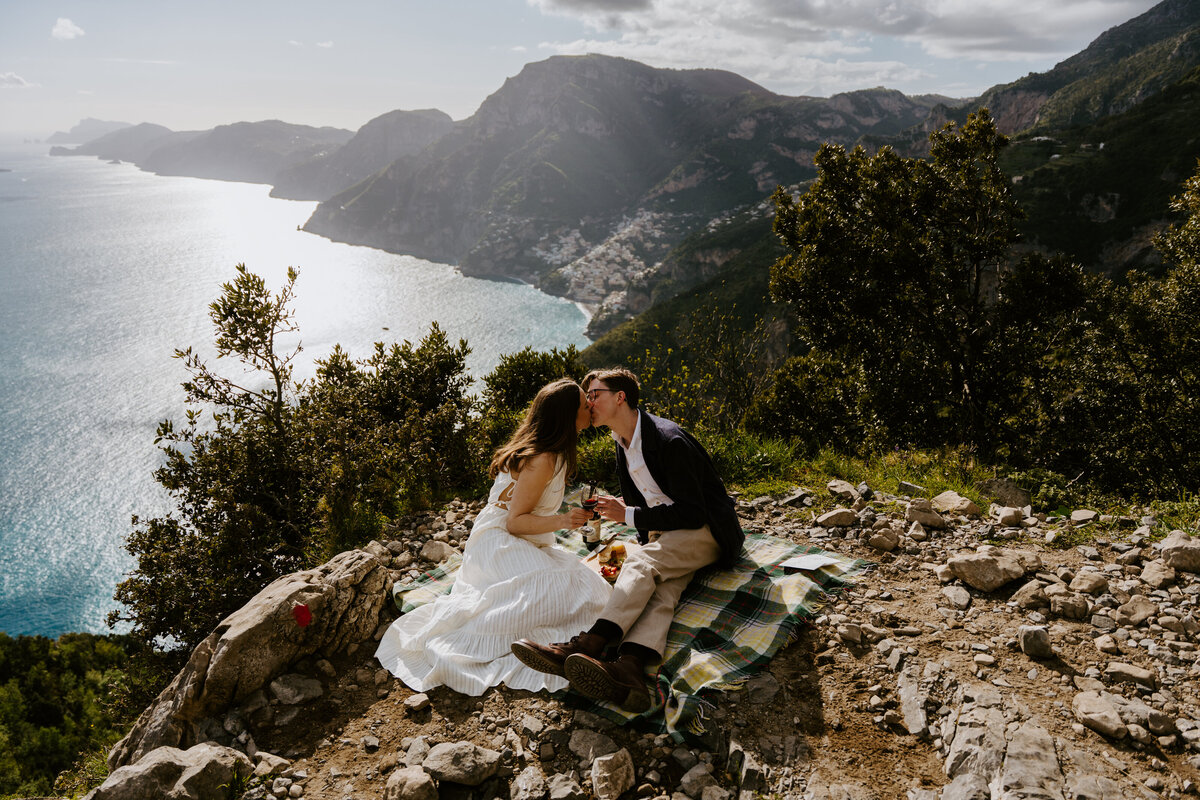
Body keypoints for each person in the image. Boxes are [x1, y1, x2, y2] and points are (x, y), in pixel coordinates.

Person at [511, 367, 743, 712]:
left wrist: (628, 517)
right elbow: (643, 503)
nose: (588, 402)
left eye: (595, 394)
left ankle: (588, 643)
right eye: (587, 396)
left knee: (643, 562)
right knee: (662, 591)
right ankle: (631, 669)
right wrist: (640, 528)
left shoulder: (669, 440)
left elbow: (694, 513)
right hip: (671, 534)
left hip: (708, 530)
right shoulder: (622, 443)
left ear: (620, 397)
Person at [375, 378, 613, 695]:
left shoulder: (556, 453)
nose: (591, 407)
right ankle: (530, 647)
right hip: (500, 541)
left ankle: (558, 647)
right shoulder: (542, 458)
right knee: (572, 590)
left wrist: (564, 518)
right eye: (586, 404)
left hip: (524, 539)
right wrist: (564, 520)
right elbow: (514, 522)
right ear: (567, 416)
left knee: (591, 589)